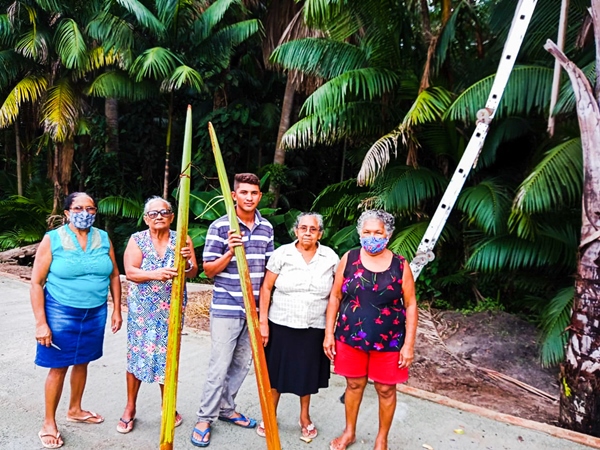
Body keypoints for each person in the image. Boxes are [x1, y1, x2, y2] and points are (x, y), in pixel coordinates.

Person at [31, 192, 122, 449]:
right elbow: (36, 283)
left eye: (91, 209)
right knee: (59, 366)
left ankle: (75, 409)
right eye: (79, 208)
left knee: (83, 361)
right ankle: (49, 422)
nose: (86, 213)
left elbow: (114, 275)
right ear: (68, 213)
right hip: (60, 311)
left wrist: (116, 309)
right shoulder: (53, 239)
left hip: (95, 312)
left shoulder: (103, 237)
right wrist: (41, 323)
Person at [191, 173, 274, 448]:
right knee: (220, 364)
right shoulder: (221, 226)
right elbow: (208, 271)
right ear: (234, 196)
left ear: (259, 196)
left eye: (254, 193)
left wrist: (263, 315)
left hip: (253, 309)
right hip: (226, 306)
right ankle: (204, 418)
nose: (249, 197)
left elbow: (269, 273)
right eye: (244, 192)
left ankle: (226, 408)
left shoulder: (267, 228)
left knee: (242, 364)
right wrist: (229, 252)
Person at [324, 210, 418, 450]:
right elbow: (335, 297)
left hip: (389, 341)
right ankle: (349, 432)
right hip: (349, 338)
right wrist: (328, 333)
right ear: (359, 233)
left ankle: (381, 439)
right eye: (367, 232)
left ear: (388, 234)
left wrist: (408, 344)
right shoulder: (349, 258)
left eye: (378, 232)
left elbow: (410, 304)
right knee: (354, 385)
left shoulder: (400, 265)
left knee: (386, 389)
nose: (372, 237)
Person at [116, 196, 198, 434]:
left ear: (172, 217)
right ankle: (130, 407)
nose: (159, 216)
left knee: (168, 357)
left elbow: (193, 272)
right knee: (137, 356)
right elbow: (130, 272)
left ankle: (168, 406)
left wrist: (187, 261)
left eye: (164, 212)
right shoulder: (137, 239)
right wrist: (155, 274)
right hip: (143, 311)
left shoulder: (182, 239)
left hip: (171, 310)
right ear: (145, 218)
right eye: (153, 213)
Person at [257, 212, 339, 440]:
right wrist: (263, 322)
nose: (307, 233)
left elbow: (335, 295)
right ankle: (269, 413)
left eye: (313, 229)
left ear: (320, 233)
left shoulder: (330, 257)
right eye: (303, 228)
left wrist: (330, 331)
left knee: (307, 375)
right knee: (275, 375)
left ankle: (304, 417)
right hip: (281, 324)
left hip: (314, 327)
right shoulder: (282, 254)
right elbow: (266, 288)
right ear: (296, 231)